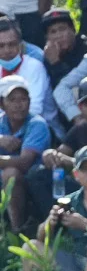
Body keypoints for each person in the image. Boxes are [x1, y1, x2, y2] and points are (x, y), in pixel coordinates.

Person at [18, 73, 87, 229]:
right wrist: (51, 155)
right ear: (81, 107)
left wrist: (69, 162)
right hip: (81, 186)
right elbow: (61, 153)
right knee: (37, 173)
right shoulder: (79, 129)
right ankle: (54, 223)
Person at [0, 74, 49, 217]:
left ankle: (17, 230)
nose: (19, 105)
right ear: (2, 104)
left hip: (31, 186)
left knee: (11, 174)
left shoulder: (37, 124)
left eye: (23, 99)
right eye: (12, 99)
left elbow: (24, 163)